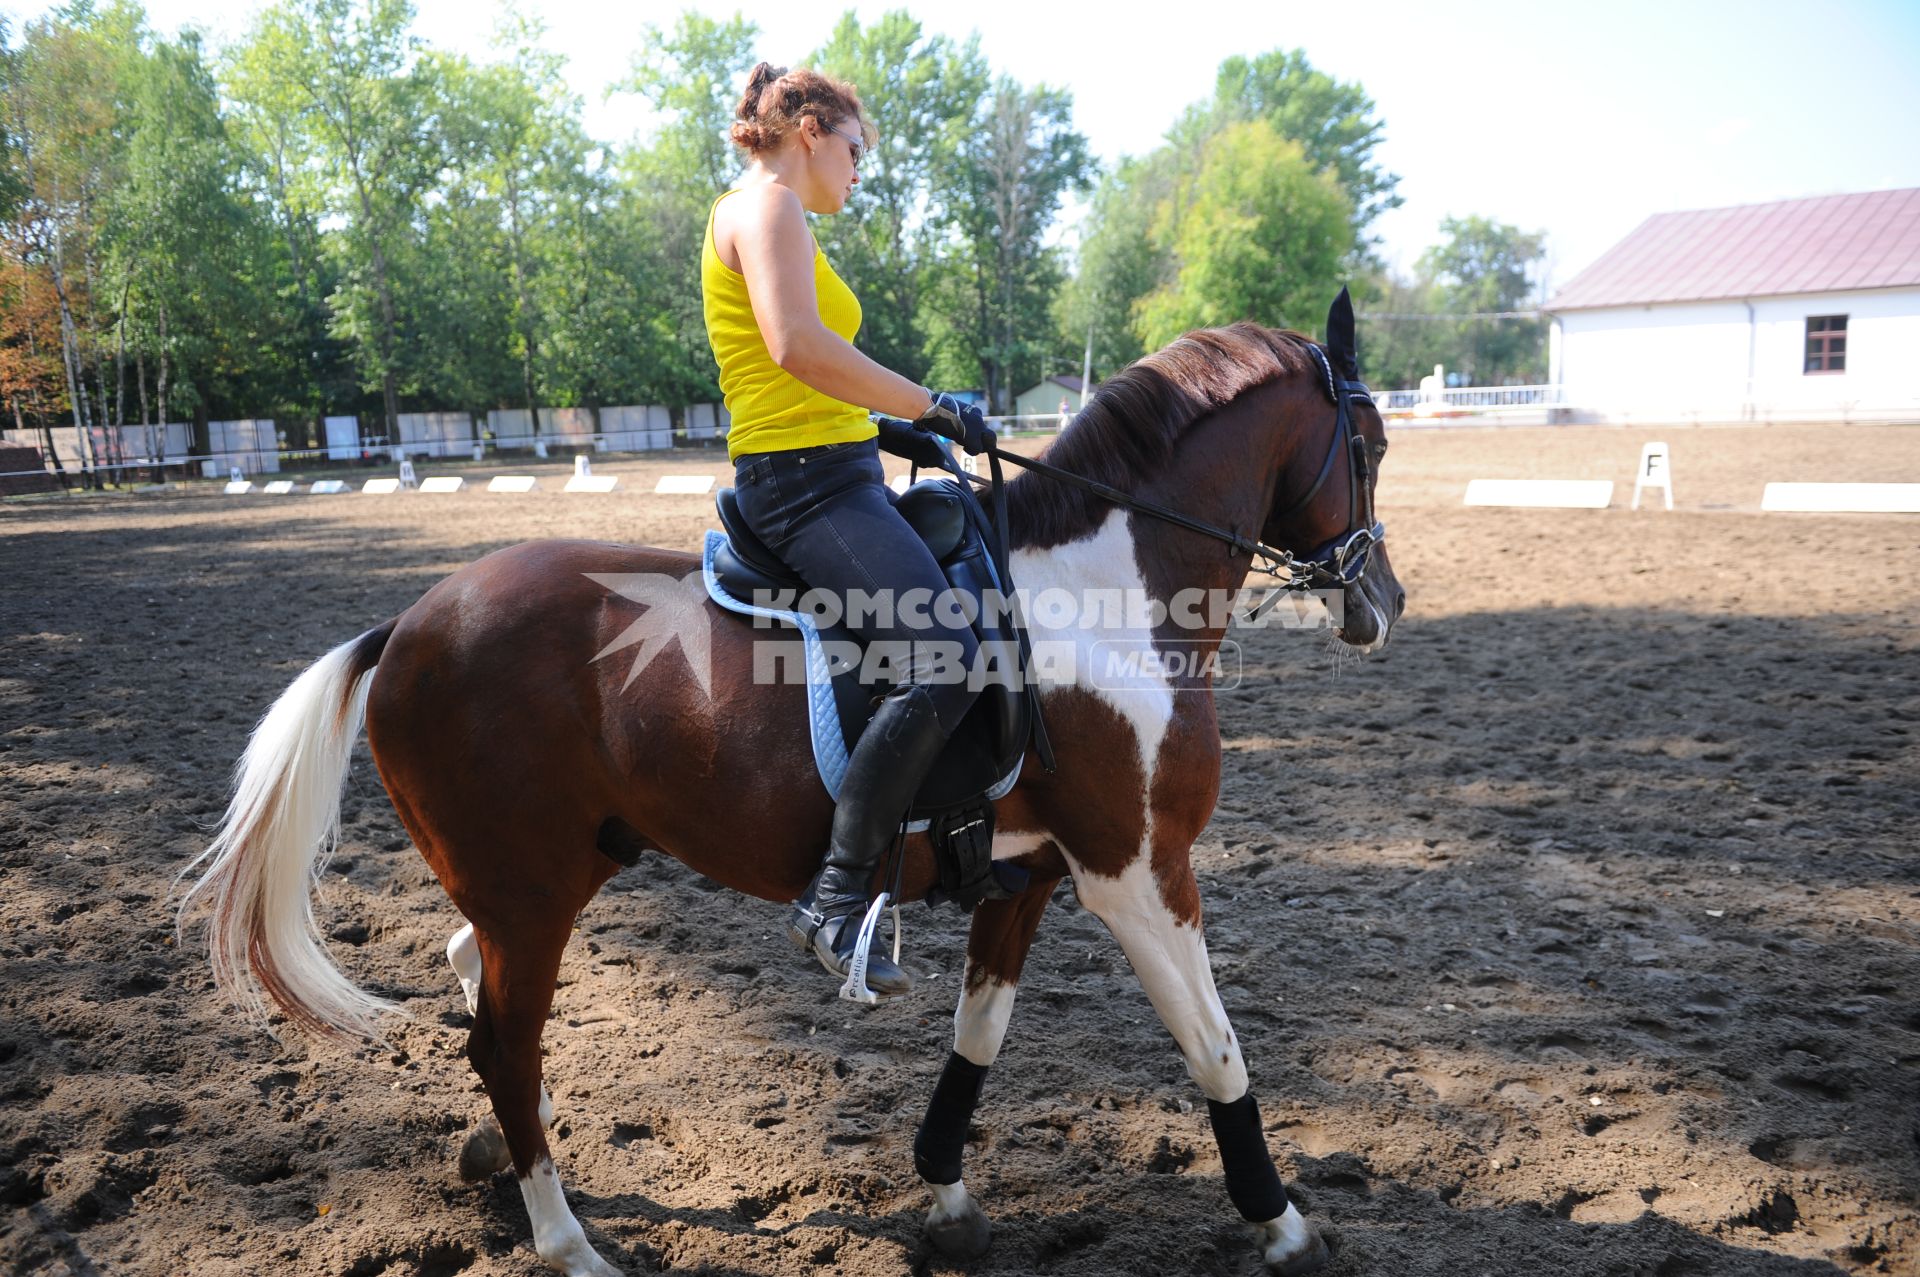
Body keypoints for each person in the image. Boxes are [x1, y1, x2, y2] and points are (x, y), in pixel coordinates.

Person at [703, 61, 994, 998]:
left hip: (832, 466)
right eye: (858, 151)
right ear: (812, 128)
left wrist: (898, 427)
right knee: (946, 656)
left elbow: (803, 381)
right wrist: (935, 402)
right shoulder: (768, 207)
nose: (860, 172)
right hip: (805, 491)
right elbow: (798, 346)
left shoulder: (780, 216)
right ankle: (834, 901)